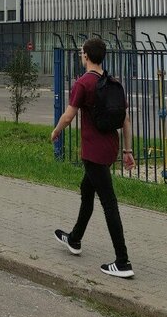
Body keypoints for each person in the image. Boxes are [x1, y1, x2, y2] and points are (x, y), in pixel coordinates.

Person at [50, 37, 136, 279]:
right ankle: (74, 239)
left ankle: (123, 261)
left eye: (81, 53)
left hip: (93, 152)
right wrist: (127, 151)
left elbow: (68, 116)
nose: (81, 55)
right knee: (87, 190)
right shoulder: (113, 82)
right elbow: (126, 120)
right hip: (109, 149)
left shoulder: (83, 83)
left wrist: (56, 131)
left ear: (86, 55)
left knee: (109, 203)